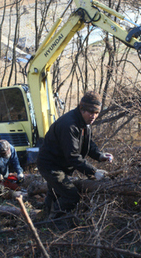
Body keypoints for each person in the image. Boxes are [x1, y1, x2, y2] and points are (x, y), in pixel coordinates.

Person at [37, 91, 113, 221]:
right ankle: (55, 223)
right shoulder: (69, 125)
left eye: (96, 113)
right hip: (50, 165)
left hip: (60, 165)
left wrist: (99, 156)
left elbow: (87, 144)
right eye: (90, 112)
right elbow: (72, 156)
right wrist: (94, 172)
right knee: (71, 195)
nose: (93, 116)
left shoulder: (84, 123)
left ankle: (43, 219)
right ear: (81, 108)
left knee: (54, 193)